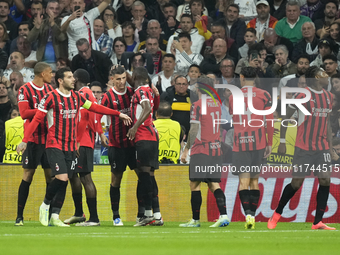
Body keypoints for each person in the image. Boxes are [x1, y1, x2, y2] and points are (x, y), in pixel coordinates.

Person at [16, 67, 131, 227]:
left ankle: (55, 215)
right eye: (69, 77)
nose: (73, 79)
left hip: (70, 146)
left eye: (73, 77)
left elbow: (95, 108)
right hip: (54, 144)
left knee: (65, 179)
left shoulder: (77, 97)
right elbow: (36, 120)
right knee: (62, 177)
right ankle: (45, 205)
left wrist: (117, 113)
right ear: (61, 81)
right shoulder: (50, 98)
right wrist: (25, 140)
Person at [268, 66, 336, 230]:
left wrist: (331, 148)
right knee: (297, 183)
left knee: (325, 179)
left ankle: (317, 221)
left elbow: (326, 122)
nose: (327, 76)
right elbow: (286, 117)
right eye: (323, 74)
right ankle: (277, 213)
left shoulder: (328, 96)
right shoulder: (302, 95)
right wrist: (282, 141)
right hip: (303, 147)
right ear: (316, 78)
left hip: (321, 147)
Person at [179, 75, 229, 228]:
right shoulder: (216, 104)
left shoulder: (198, 105)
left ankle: (195, 220)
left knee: (194, 185)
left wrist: (186, 149)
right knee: (214, 184)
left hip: (201, 149)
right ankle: (224, 216)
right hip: (216, 149)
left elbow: (194, 128)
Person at [229, 66, 274, 229]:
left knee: (243, 182)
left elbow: (233, 115)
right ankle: (253, 216)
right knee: (254, 181)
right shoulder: (265, 95)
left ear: (241, 77)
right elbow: (269, 120)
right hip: (259, 143)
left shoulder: (234, 96)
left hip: (240, 143)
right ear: (255, 78)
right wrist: (269, 143)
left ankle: (247, 214)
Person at [14, 62, 55, 226]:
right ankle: (19, 216)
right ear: (42, 74)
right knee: (28, 176)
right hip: (32, 140)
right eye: (50, 72)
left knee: (50, 177)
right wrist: (42, 109)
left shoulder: (50, 90)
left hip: (49, 139)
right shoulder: (25, 90)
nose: (52, 75)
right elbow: (24, 113)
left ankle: (49, 216)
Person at [99, 65, 136, 226]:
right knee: (116, 180)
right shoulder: (108, 96)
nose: (122, 82)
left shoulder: (132, 93)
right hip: (116, 144)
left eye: (124, 78)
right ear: (112, 79)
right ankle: (116, 216)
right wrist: (101, 133)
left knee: (143, 176)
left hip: (134, 144)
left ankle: (142, 213)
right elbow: (99, 115)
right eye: (119, 79)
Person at [63, 69, 101, 226]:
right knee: (73, 176)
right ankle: (79, 213)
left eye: (72, 77)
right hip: (77, 141)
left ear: (76, 79)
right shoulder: (84, 93)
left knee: (86, 178)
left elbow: (84, 118)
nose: (71, 80)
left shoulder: (84, 93)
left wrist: (77, 141)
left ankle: (94, 218)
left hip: (82, 142)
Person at [127, 67, 161, 227]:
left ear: (135, 77)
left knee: (145, 177)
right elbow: (153, 108)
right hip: (151, 136)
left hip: (144, 136)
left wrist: (134, 127)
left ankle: (147, 214)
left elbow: (147, 109)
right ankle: (157, 214)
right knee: (149, 176)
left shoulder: (141, 91)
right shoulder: (149, 90)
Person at [27, 0, 67, 71]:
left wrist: (53, 24)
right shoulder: (42, 23)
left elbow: (62, 38)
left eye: (57, 9)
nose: (54, 11)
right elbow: (30, 39)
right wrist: (37, 28)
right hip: (42, 62)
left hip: (58, 63)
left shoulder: (63, 22)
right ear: (46, 10)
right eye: (51, 8)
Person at [160, 75, 196, 142]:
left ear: (187, 85)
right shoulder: (167, 96)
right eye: (179, 84)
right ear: (174, 85)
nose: (181, 86)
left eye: (184, 84)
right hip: (170, 133)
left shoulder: (193, 97)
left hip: (188, 135)